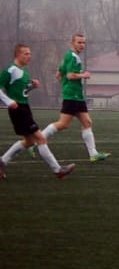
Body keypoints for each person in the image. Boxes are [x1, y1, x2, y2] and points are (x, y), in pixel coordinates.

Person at [0, 44, 75, 179]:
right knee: (40, 138)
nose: (29, 56)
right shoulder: (10, 70)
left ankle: (2, 161)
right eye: (26, 54)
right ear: (18, 55)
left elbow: (21, 91)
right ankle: (58, 170)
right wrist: (8, 101)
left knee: (29, 141)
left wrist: (31, 87)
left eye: (30, 53)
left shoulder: (24, 71)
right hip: (19, 110)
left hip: (24, 108)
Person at [40, 33, 109, 162]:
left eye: (83, 43)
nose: (82, 45)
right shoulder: (73, 57)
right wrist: (84, 75)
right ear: (72, 43)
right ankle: (38, 140)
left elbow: (59, 74)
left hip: (76, 95)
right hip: (73, 96)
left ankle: (93, 153)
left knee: (87, 122)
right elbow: (71, 75)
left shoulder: (68, 56)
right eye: (79, 42)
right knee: (63, 124)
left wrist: (65, 87)